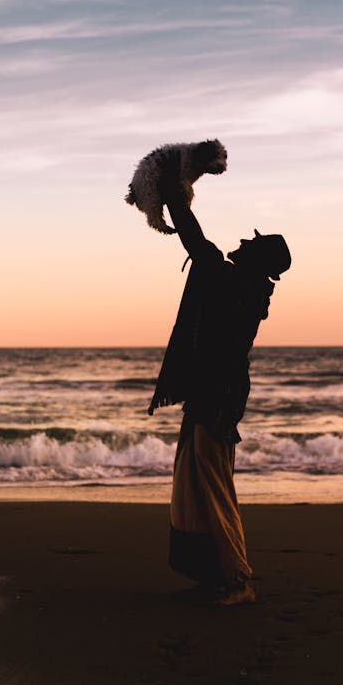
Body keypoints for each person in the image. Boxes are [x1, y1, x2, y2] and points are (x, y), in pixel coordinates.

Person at [148, 181, 291, 606]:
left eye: (253, 240)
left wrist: (174, 197)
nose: (245, 240)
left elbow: (196, 240)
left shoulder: (235, 285)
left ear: (258, 258)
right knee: (199, 483)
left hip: (216, 397)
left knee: (210, 486)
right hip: (219, 395)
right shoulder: (245, 288)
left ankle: (237, 580)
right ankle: (215, 573)